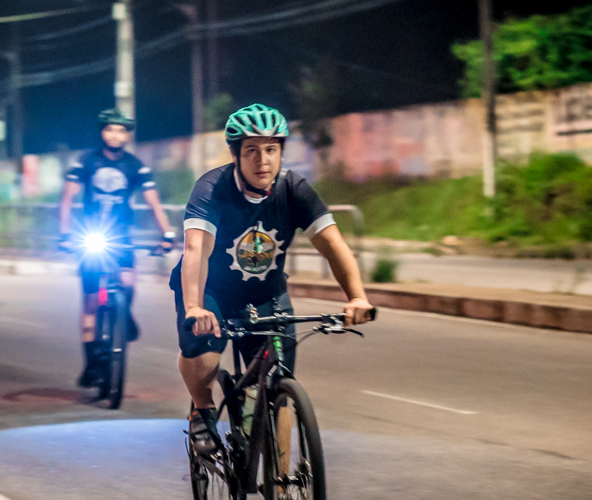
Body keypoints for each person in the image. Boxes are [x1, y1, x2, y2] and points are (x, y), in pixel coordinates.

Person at [172, 104, 374, 457]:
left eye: (271, 149)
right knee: (204, 352)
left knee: (277, 385)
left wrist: (356, 297)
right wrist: (194, 306)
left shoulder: (294, 190)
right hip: (211, 291)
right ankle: (201, 408)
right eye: (251, 150)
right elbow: (196, 250)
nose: (262, 160)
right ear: (235, 155)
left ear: (281, 152)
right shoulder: (212, 189)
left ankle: (285, 488)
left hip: (266, 295)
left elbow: (333, 245)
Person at [59, 108, 176, 389]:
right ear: (102, 132)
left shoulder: (136, 166)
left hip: (121, 236)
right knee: (89, 302)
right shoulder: (86, 161)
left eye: (121, 130)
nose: (115, 134)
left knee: (127, 283)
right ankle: (91, 363)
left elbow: (153, 203)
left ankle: (125, 314)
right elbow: (67, 200)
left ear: (126, 134)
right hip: (91, 235)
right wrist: (64, 234)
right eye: (110, 129)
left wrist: (167, 233)